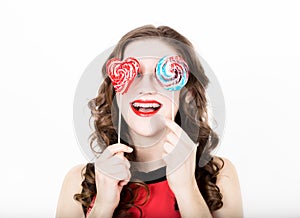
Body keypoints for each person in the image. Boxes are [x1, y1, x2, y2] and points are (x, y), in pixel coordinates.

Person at [56, 25, 243, 218]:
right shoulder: (77, 182)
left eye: (163, 74)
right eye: (135, 73)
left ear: (188, 94)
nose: (146, 87)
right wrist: (103, 206)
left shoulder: (219, 176)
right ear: (116, 90)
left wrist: (187, 190)